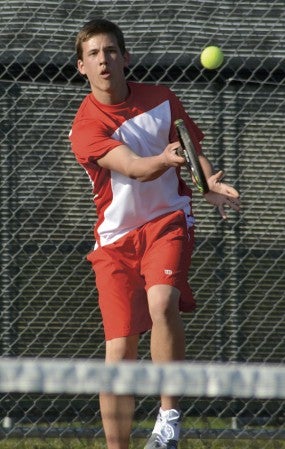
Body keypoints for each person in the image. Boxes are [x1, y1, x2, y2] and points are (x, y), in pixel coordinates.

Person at [69, 18, 240, 449]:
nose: (103, 60)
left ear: (125, 58)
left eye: (110, 51)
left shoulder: (162, 99)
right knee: (119, 352)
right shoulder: (86, 127)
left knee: (162, 300)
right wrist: (164, 159)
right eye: (93, 54)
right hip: (115, 241)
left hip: (167, 221)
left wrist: (208, 185)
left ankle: (168, 419)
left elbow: (191, 148)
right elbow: (135, 168)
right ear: (81, 67)